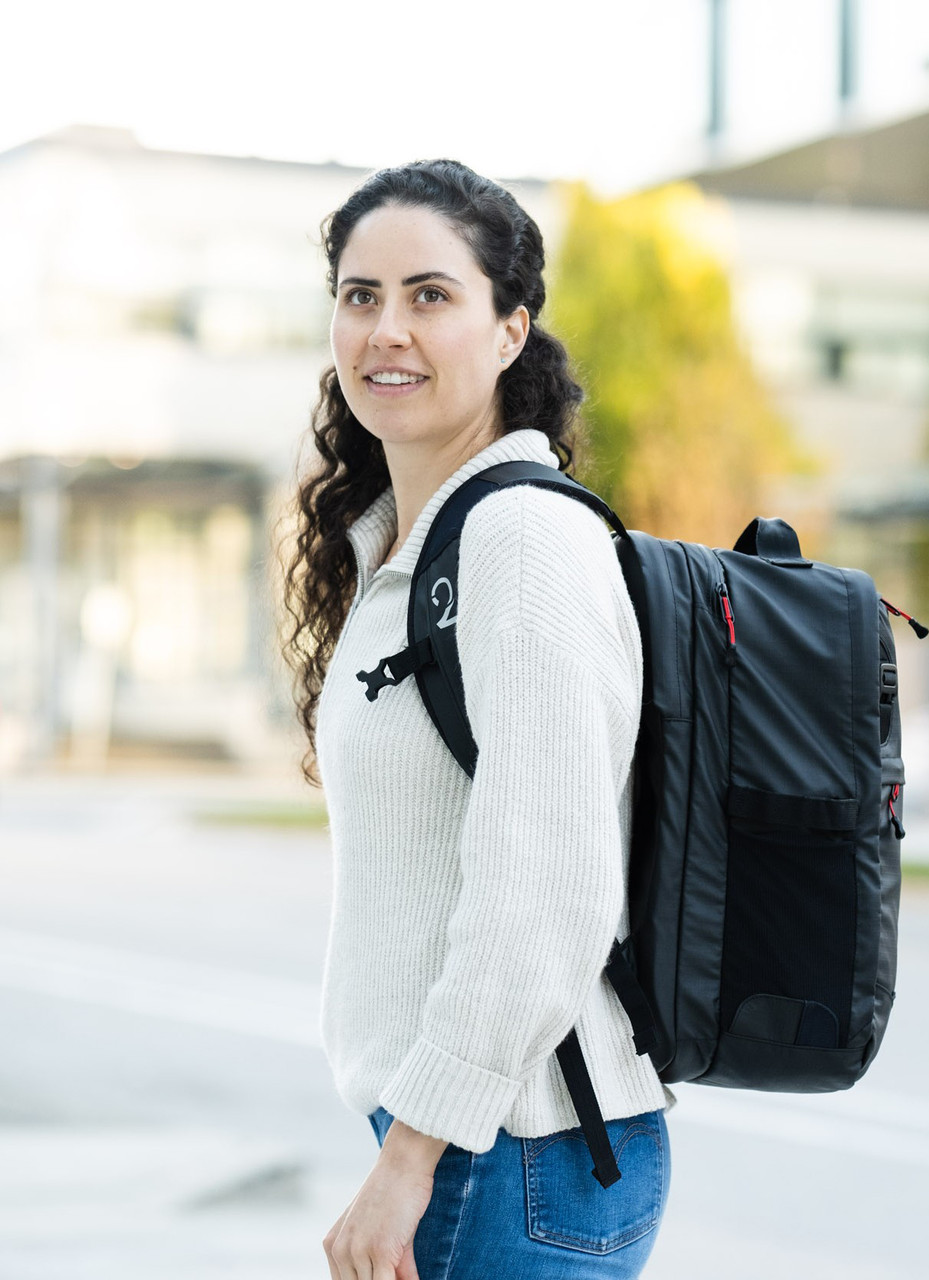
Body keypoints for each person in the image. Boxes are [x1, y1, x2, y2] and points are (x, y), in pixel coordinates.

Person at [282, 159, 674, 1279]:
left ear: (511, 330)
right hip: (479, 1135)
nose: (386, 329)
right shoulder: (410, 548)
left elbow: (543, 884)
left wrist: (413, 1156)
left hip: (502, 1148)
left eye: (429, 294)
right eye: (360, 295)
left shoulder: (516, 543)